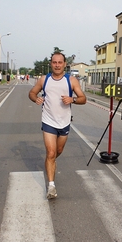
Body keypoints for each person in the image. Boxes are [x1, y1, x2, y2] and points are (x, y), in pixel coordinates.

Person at [29, 52, 86, 199]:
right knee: (51, 153)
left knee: (58, 151)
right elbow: (32, 93)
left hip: (64, 122)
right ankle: (51, 186)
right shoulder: (44, 79)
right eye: (54, 62)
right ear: (51, 64)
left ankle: (51, 162)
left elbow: (83, 99)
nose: (57, 65)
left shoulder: (71, 80)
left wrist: (72, 99)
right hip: (48, 121)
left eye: (60, 62)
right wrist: (36, 99)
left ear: (64, 64)